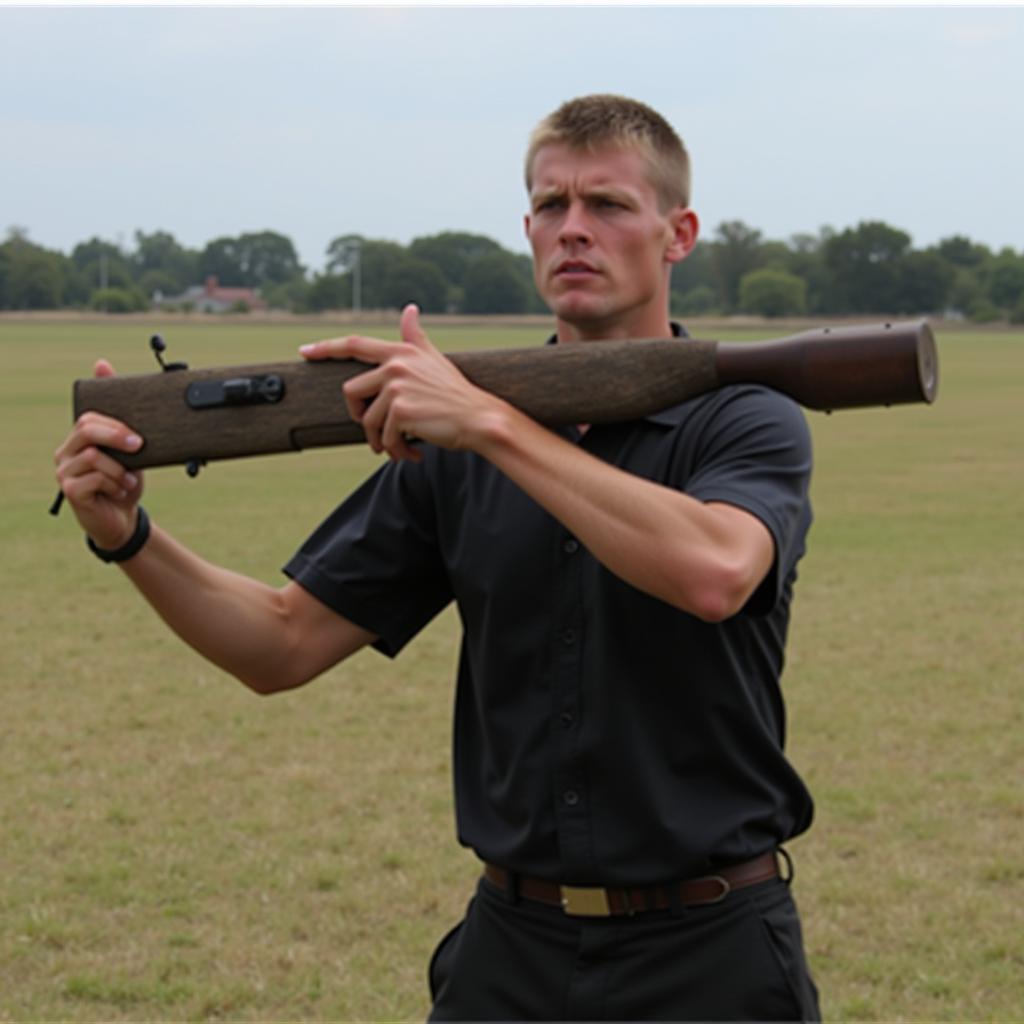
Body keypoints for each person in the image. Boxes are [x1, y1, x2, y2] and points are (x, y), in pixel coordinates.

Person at [55, 94, 820, 1020]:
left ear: (679, 232)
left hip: (710, 951)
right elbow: (280, 644)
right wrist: (126, 536)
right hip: (511, 950)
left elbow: (715, 572)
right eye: (550, 206)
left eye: (609, 205)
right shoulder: (456, 449)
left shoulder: (743, 416)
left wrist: (489, 422)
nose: (573, 230)